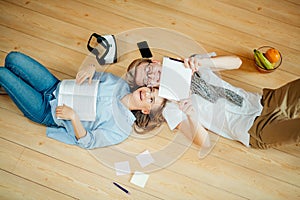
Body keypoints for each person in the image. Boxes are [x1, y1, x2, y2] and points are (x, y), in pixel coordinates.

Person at [124, 55, 300, 150]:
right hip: (252, 129)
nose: (152, 77)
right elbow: (205, 143)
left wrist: (204, 62)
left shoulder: (190, 63)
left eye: (148, 70)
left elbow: (237, 62)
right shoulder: (171, 108)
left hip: (263, 101)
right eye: (147, 81)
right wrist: (192, 116)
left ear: (155, 62)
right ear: (150, 87)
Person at [0, 51, 166, 149]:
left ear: (145, 110)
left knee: (3, 73)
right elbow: (90, 75)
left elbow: (88, 142)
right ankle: (9, 87)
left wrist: (73, 117)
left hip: (47, 112)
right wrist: (91, 68)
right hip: (54, 86)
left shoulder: (121, 130)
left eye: (151, 100)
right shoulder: (119, 84)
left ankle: (9, 84)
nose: (147, 94)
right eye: (151, 90)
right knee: (13, 58)